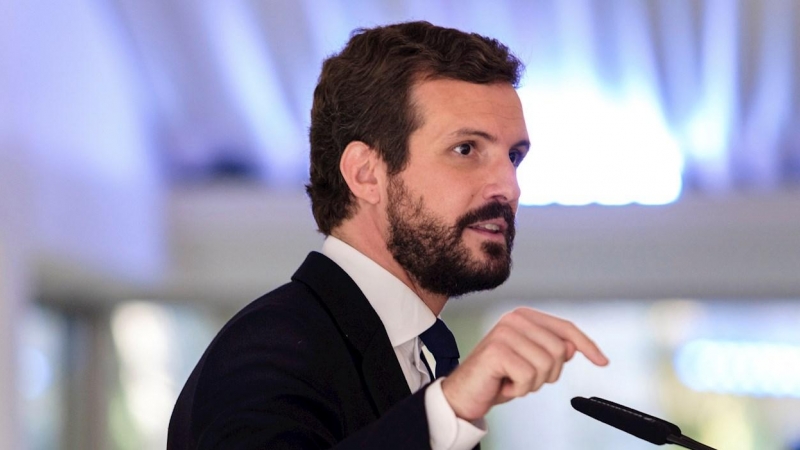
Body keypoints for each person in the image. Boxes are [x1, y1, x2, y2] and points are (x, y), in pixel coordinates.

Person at [167, 20, 608, 450]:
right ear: (366, 175)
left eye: (513, 156)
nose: (509, 187)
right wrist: (447, 411)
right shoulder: (270, 345)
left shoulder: (420, 357)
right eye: (466, 149)